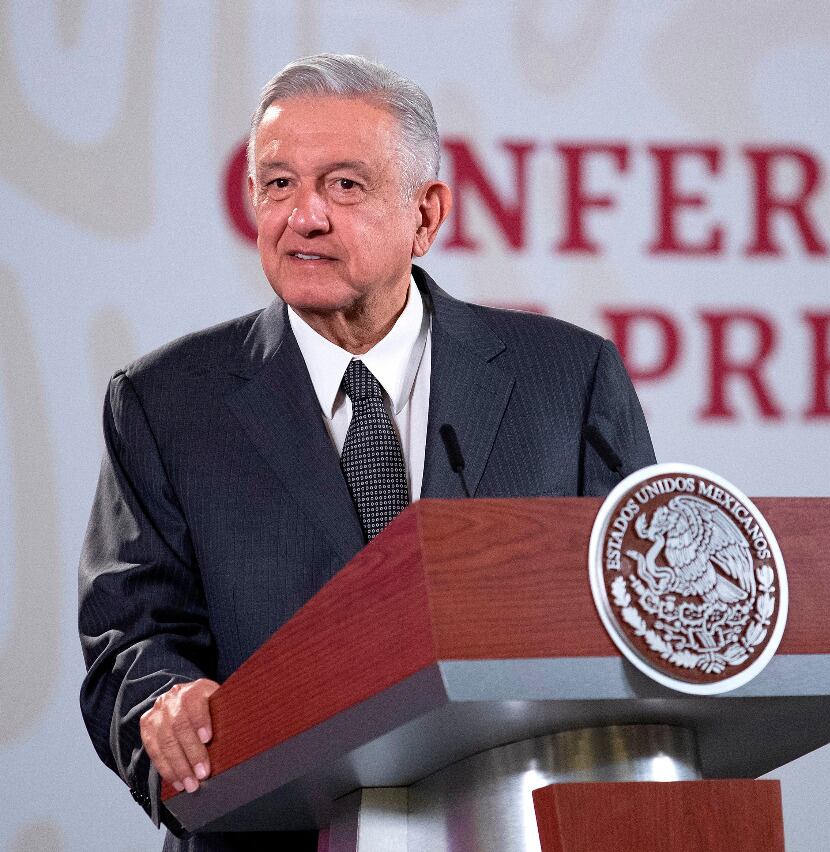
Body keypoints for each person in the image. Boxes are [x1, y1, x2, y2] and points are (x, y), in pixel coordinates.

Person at [78, 54, 655, 851]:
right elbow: (129, 641)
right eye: (277, 184)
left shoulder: (568, 379)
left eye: (344, 185)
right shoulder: (166, 403)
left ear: (427, 214)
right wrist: (168, 705)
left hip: (515, 822)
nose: (303, 215)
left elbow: (636, 613)